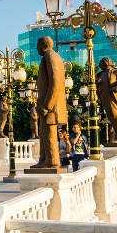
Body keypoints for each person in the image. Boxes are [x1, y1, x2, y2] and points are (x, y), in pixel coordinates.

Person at [32, 36, 68, 169]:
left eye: (38, 44)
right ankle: (43, 160)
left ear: (43, 45)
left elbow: (55, 81)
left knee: (49, 134)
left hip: (50, 106)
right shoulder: (50, 56)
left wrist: (47, 105)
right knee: (44, 133)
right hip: (46, 105)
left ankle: (52, 161)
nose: (36, 48)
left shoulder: (50, 57)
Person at [95, 57, 117, 143]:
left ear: (107, 63)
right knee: (110, 117)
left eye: (102, 62)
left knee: (115, 115)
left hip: (112, 96)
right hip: (104, 97)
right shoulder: (99, 74)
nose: (101, 64)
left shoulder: (115, 71)